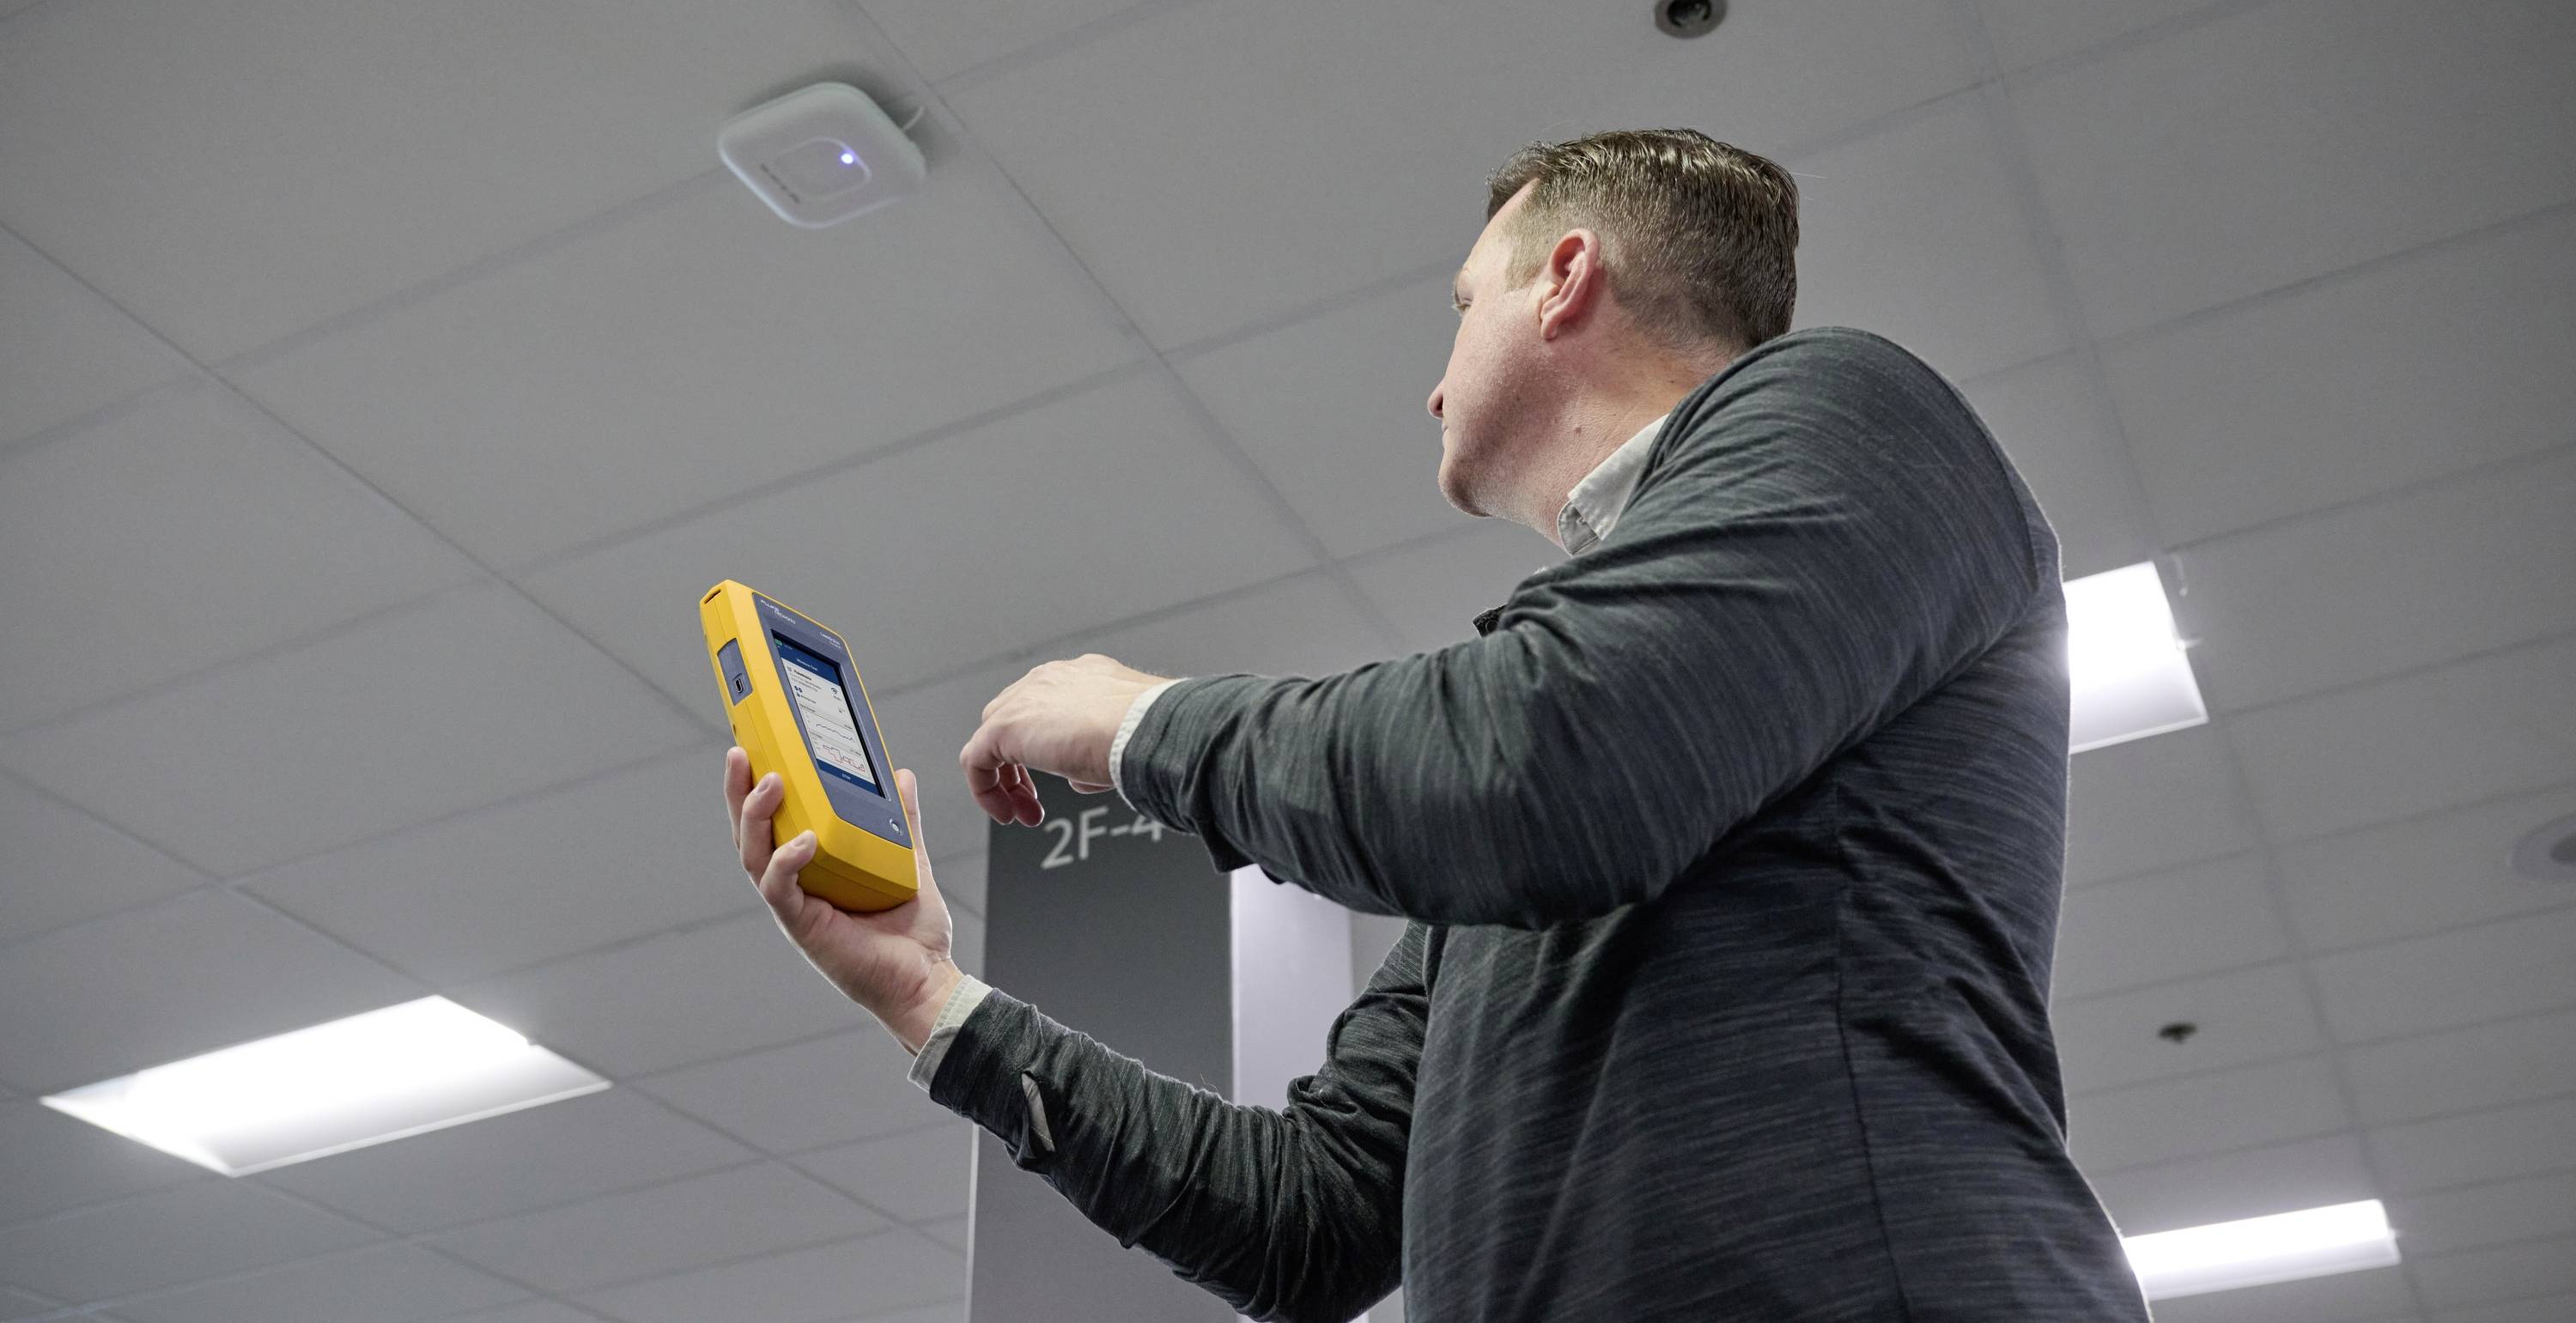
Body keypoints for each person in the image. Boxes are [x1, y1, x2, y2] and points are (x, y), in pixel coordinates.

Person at [723, 129, 2150, 1322]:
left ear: (1566, 278)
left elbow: (1536, 764)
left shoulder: (1846, 407)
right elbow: (1315, 1219)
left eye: (1461, 305)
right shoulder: (1541, 813)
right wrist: (930, 997)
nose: (1431, 377)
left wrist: (1138, 719)